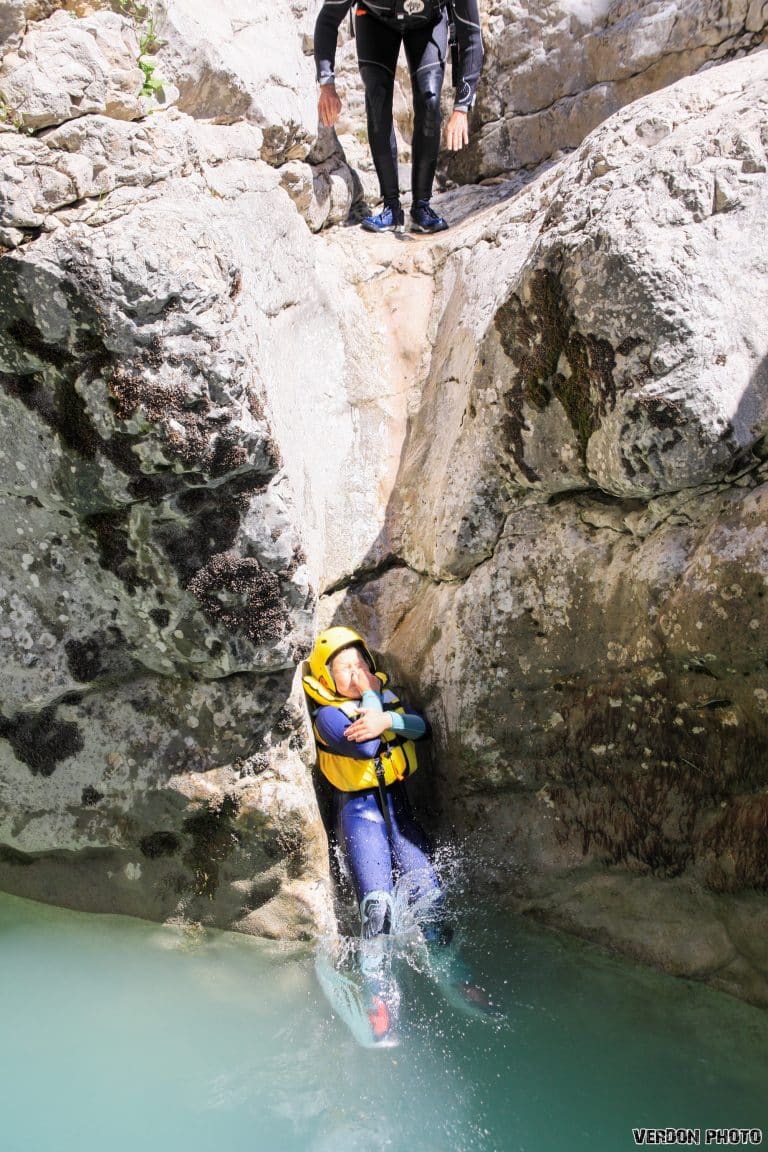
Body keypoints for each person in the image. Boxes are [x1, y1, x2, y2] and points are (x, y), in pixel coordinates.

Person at [313, 0, 484, 234]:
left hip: (428, 22)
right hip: (375, 19)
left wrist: (462, 108)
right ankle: (391, 207)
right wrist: (327, 85)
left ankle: (422, 207)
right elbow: (328, 18)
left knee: (430, 100)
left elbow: (471, 35)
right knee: (377, 98)